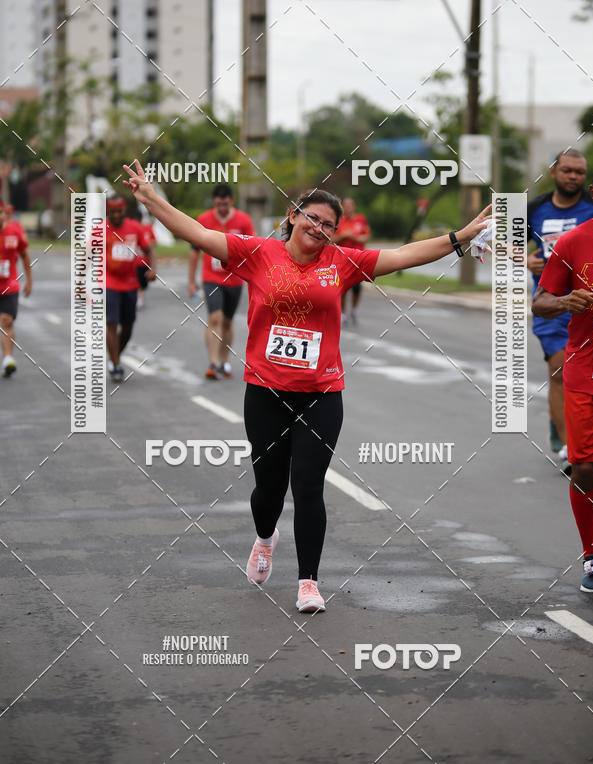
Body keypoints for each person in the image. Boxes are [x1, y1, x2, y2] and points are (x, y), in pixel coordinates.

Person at [123, 159, 492, 612]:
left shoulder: (343, 263)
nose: (320, 228)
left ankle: (309, 582)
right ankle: (264, 537)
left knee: (310, 484)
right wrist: (151, 198)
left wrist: (460, 238)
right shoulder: (256, 253)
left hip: (321, 394)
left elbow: (403, 254)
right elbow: (195, 234)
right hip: (265, 391)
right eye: (313, 218)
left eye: (329, 225)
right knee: (268, 490)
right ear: (293, 215)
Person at [532, 162, 593, 593]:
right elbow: (540, 302)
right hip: (586, 367)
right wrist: (565, 302)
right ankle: (592, 554)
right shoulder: (575, 241)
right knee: (588, 466)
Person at [527, 149, 593, 469]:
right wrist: (523, 258)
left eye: (579, 172)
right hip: (552, 300)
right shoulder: (535, 208)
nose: (573, 177)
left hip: (592, 305)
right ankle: (570, 445)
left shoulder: (592, 205)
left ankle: (576, 429)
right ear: (554, 171)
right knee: (558, 367)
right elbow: (499, 241)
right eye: (567, 170)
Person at [188, 183, 254, 380]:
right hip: (211, 278)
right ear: (214, 202)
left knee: (226, 321)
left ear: (231, 201)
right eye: (218, 204)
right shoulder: (204, 219)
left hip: (234, 280)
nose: (222, 208)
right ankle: (214, 362)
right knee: (214, 318)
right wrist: (191, 280)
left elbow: (253, 250)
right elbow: (193, 253)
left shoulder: (243, 220)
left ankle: (224, 361)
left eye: (225, 204)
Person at [104, 196, 156, 382]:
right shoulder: (100, 230)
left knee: (127, 327)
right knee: (112, 323)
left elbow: (149, 250)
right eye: (112, 212)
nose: (116, 215)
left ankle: (114, 354)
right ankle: (116, 364)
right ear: (108, 211)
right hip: (109, 283)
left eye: (119, 211)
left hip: (130, 283)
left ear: (124, 209)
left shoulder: (135, 228)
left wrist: (153, 269)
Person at [0, 200, 32, 377]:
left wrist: (29, 280)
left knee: (6, 321)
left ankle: (7, 358)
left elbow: (25, 254)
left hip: (9, 285)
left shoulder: (14, 231)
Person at [334, 197, 371, 325]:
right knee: (343, 287)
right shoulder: (338, 221)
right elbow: (331, 239)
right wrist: (344, 236)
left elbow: (366, 236)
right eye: (345, 205)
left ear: (354, 206)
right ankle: (342, 313)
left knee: (357, 288)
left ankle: (354, 310)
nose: (348, 208)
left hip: (358, 259)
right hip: (342, 259)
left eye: (350, 205)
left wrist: (354, 237)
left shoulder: (360, 219)